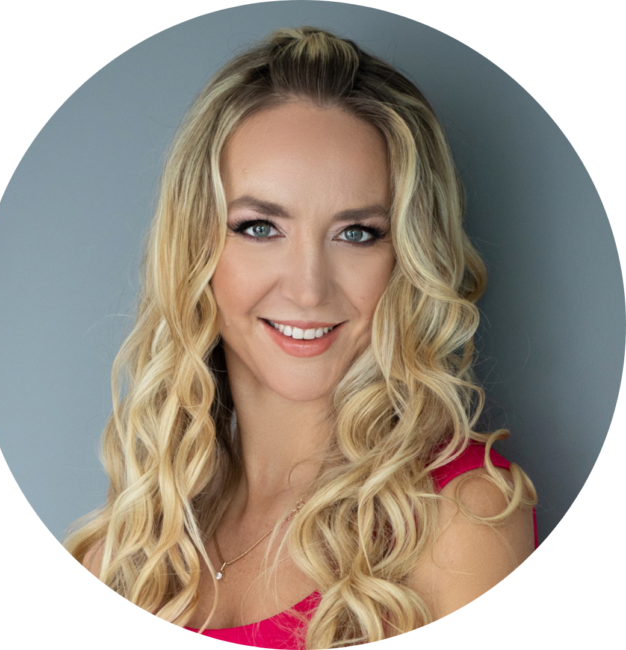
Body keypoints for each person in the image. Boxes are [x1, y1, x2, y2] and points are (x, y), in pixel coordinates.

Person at [62, 26, 539, 648]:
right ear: (195, 248)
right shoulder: (125, 552)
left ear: (408, 259)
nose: (309, 289)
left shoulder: (463, 514)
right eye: (260, 227)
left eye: (357, 233)